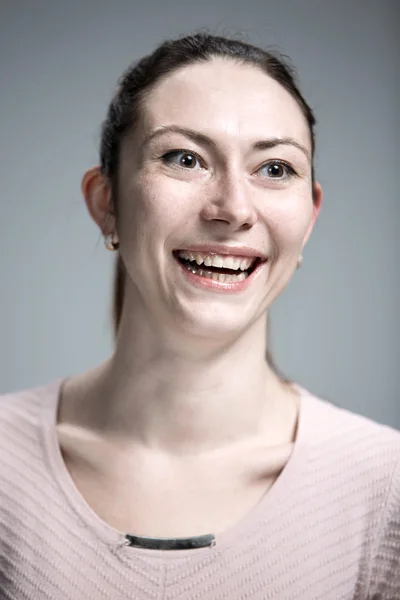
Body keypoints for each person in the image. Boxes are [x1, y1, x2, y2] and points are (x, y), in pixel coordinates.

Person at [1, 32, 399, 600]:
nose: (234, 208)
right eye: (184, 158)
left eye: (275, 168)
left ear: (309, 218)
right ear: (106, 201)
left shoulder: (385, 489)